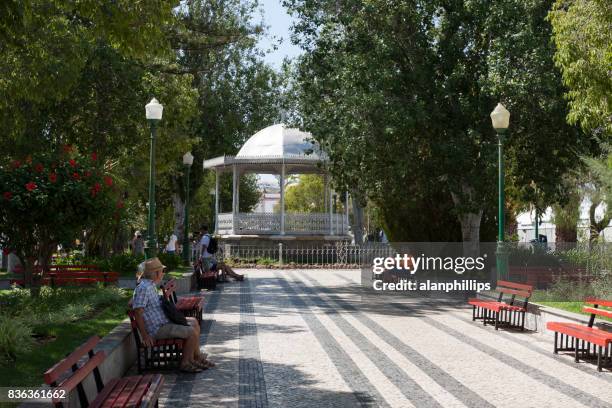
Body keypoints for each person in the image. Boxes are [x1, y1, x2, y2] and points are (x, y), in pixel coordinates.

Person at [132, 257, 215, 373]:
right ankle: (186, 362)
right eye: (161, 271)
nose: (163, 273)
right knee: (191, 332)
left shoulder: (149, 285)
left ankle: (196, 357)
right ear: (156, 273)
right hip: (157, 329)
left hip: (164, 322)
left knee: (194, 322)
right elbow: (138, 313)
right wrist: (145, 336)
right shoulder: (144, 288)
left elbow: (136, 303)